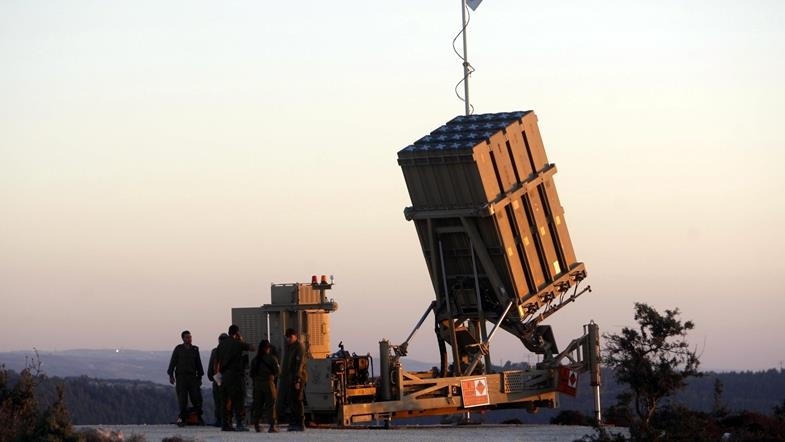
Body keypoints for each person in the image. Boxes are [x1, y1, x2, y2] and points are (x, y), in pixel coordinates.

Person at [217, 324, 253, 431]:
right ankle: (239, 423)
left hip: (224, 376)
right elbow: (252, 348)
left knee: (225, 401)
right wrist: (241, 340)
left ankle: (225, 424)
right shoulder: (237, 343)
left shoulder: (221, 345)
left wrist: (218, 378)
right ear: (237, 333)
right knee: (238, 399)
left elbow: (217, 362)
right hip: (235, 376)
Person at [166, 330, 204, 426]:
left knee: (196, 398)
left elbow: (198, 364)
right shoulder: (178, 349)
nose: (189, 339)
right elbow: (173, 362)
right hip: (181, 377)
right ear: (183, 338)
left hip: (192, 377)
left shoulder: (195, 349)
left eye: (190, 337)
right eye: (187, 337)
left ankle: (198, 417)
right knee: (182, 399)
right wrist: (171, 375)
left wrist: (200, 377)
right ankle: (183, 418)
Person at [280, 328, 308, 431]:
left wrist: (297, 380)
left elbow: (299, 365)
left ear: (295, 336)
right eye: (287, 337)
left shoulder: (299, 347)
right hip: (290, 377)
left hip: (298, 377)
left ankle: (300, 423)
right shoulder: (290, 347)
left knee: (297, 400)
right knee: (291, 400)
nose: (289, 339)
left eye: (290, 337)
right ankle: (294, 422)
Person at [250, 339, 280, 433]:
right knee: (271, 405)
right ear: (267, 348)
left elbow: (251, 374)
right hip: (268, 384)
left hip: (257, 385)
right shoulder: (272, 359)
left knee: (258, 405)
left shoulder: (255, 360)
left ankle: (256, 425)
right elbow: (277, 372)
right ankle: (272, 426)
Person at [206, 333, 229, 427]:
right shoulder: (230, 351)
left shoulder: (215, 351)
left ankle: (220, 420)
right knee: (224, 400)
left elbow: (211, 365)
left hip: (218, 377)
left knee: (219, 400)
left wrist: (211, 376)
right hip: (225, 377)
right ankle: (225, 420)